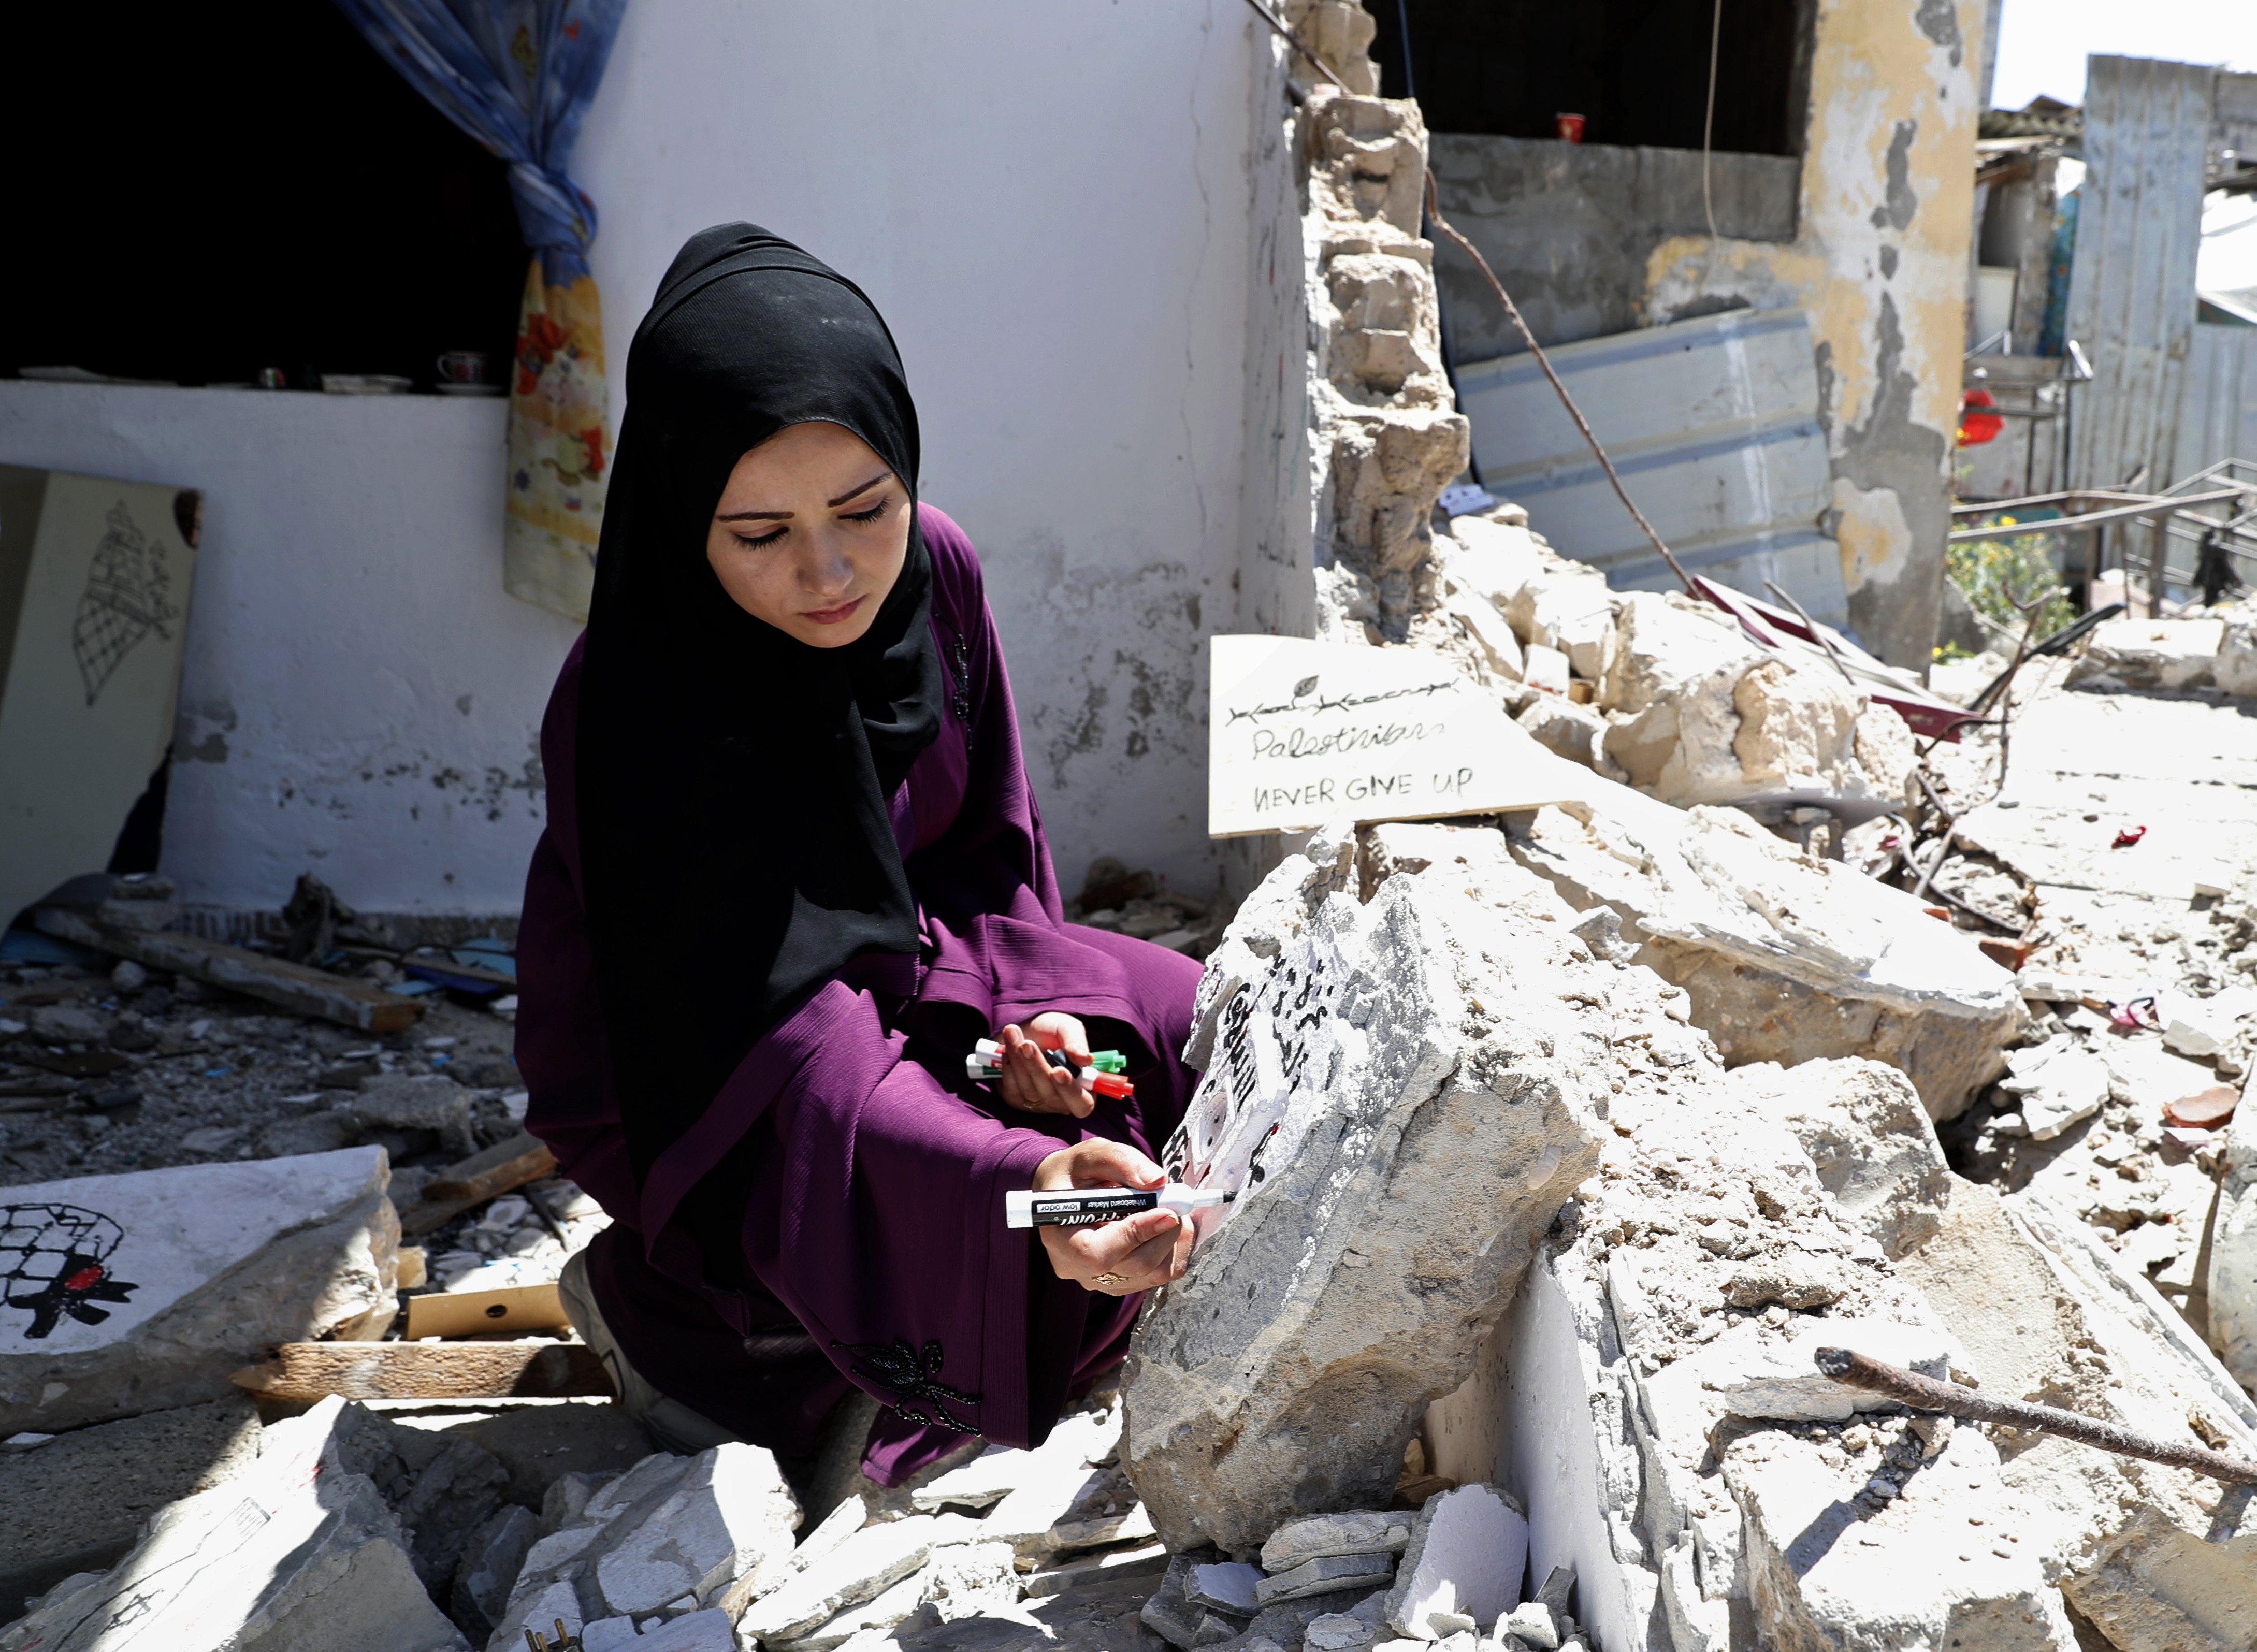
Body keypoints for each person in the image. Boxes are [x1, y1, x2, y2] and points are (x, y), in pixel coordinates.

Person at [514, 224, 1205, 1490]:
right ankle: (734, 1345)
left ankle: (1012, 1281)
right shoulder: (635, 704)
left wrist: (1026, 1040)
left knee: (1159, 1015)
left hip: (908, 972)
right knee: (970, 1174)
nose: (829, 572)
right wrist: (1024, 1171)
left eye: (863, 507)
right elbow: (766, 1040)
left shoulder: (933, 574)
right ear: (683, 517)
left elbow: (990, 851)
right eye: (759, 531)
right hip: (709, 1066)